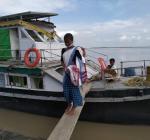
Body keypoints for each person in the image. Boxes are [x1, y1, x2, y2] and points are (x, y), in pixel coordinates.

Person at [61, 33, 87, 115]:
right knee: (66, 90)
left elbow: (81, 60)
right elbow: (62, 61)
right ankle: (69, 105)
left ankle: (74, 107)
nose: (66, 43)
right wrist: (65, 68)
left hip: (74, 74)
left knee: (74, 90)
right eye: (65, 41)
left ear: (72, 40)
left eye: (68, 41)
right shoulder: (63, 50)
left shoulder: (77, 49)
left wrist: (84, 52)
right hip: (66, 73)